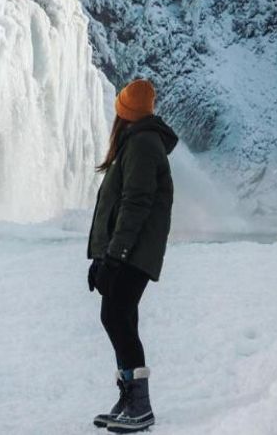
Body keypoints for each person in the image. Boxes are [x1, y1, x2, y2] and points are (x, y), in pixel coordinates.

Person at [86, 78, 179, 432]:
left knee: (116, 317)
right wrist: (102, 257)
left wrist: (116, 256)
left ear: (123, 112)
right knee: (120, 318)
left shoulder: (142, 144)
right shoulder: (137, 142)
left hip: (133, 252)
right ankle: (130, 400)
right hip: (128, 251)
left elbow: (135, 204)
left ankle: (139, 405)